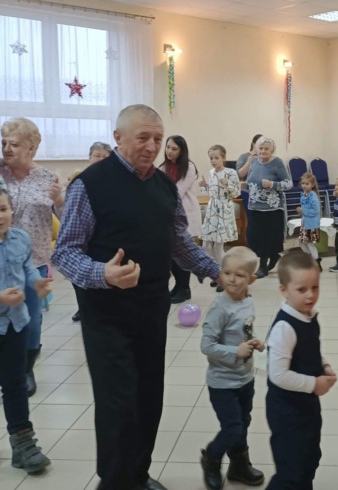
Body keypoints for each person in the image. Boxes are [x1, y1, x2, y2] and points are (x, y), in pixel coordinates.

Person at [52, 104, 222, 490]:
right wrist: (103, 274)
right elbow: (65, 252)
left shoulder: (164, 186)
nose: (152, 146)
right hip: (106, 316)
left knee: (149, 398)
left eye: (158, 139)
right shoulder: (90, 184)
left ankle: (137, 475)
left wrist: (216, 271)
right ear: (118, 137)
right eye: (143, 137)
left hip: (151, 310)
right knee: (118, 405)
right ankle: (115, 482)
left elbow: (178, 241)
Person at [0, 117, 63, 397]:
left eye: (14, 144)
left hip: (35, 261)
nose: (7, 149)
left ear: (32, 147)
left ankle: (25, 369)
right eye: (3, 143)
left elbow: (66, 218)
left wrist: (59, 200)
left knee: (32, 320)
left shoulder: (48, 178)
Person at [266, 251, 336, 490]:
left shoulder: (308, 316)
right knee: (292, 471)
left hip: (305, 405)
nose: (310, 295)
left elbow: (308, 350)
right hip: (287, 411)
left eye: (315, 287)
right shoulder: (285, 327)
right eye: (302, 289)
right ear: (284, 290)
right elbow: (278, 375)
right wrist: (314, 384)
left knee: (309, 458)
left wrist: (323, 365)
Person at [200, 246, 265, 490]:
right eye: (227, 273)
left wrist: (254, 341)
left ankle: (239, 466)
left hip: (245, 378)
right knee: (233, 427)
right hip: (222, 382)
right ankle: (212, 458)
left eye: (239, 275)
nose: (231, 279)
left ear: (251, 280)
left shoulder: (248, 301)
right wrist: (234, 352)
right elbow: (206, 345)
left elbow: (244, 331)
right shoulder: (220, 308)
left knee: (243, 423)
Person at [0, 182, 52, 474]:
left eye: (3, 209)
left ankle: (23, 445)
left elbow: (28, 267)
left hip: (15, 324)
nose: (0, 216)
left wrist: (36, 282)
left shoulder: (21, 238)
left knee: (15, 384)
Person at [69, 142, 113, 322]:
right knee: (80, 276)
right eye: (97, 156)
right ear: (89, 158)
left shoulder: (115, 182)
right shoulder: (80, 181)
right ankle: (83, 308)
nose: (100, 159)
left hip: (104, 240)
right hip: (81, 239)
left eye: (105, 157)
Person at [159, 135, 203, 304]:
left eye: (174, 148)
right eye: (168, 147)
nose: (169, 151)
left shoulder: (189, 167)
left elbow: (177, 190)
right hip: (167, 215)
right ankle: (178, 286)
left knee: (182, 254)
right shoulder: (163, 167)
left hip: (185, 215)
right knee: (171, 256)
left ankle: (185, 288)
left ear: (181, 151)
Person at [245, 136, 292, 278]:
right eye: (260, 148)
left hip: (271, 208)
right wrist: (244, 185)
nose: (263, 151)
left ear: (272, 150)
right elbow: (251, 181)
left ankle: (263, 266)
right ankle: (273, 256)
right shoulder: (254, 162)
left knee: (267, 238)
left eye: (266, 149)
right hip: (254, 207)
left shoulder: (277, 162)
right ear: (256, 149)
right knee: (254, 237)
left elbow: (288, 183)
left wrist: (272, 184)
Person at [200, 145, 241, 291]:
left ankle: (226, 276)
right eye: (211, 158)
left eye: (216, 158)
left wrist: (228, 184)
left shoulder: (231, 172)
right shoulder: (211, 172)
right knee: (206, 245)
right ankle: (218, 273)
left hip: (224, 210)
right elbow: (213, 191)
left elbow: (236, 192)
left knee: (218, 247)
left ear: (223, 158)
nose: (213, 161)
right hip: (212, 209)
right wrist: (205, 186)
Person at [296, 172, 322, 271]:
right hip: (305, 223)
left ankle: (316, 262)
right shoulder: (303, 195)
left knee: (309, 243)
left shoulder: (313, 196)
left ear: (312, 185)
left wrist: (303, 211)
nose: (304, 185)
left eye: (307, 184)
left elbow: (316, 210)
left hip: (312, 224)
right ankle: (310, 259)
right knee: (302, 243)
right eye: (303, 183)